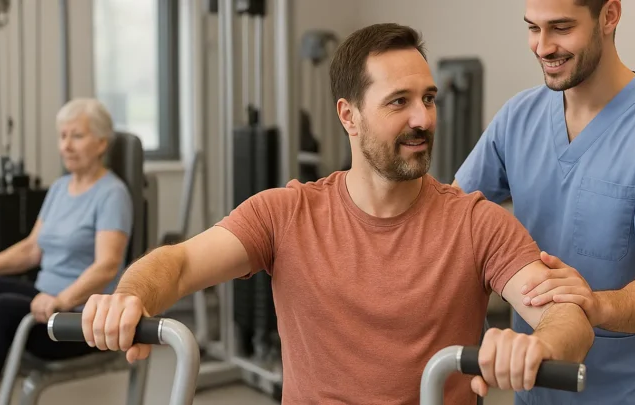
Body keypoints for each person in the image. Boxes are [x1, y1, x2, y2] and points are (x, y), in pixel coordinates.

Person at [80, 23, 595, 404]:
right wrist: (129, 297)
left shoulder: (476, 223)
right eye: (399, 102)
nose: (423, 119)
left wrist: (537, 345)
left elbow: (566, 318)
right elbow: (178, 264)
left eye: (428, 99)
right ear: (349, 115)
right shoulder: (285, 214)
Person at [454, 0, 635, 404]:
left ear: (609, 16)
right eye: (533, 29)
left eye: (560, 28)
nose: (542, 47)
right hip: (532, 392)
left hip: (620, 395)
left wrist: (592, 305)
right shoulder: (519, 116)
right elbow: (453, 218)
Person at [0, 98, 133, 374]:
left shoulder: (112, 194)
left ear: (101, 143)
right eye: (62, 136)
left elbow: (107, 266)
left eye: (77, 136)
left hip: (78, 318)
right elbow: (32, 249)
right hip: (43, 299)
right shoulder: (60, 188)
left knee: (2, 309)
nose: (66, 146)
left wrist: (60, 301)